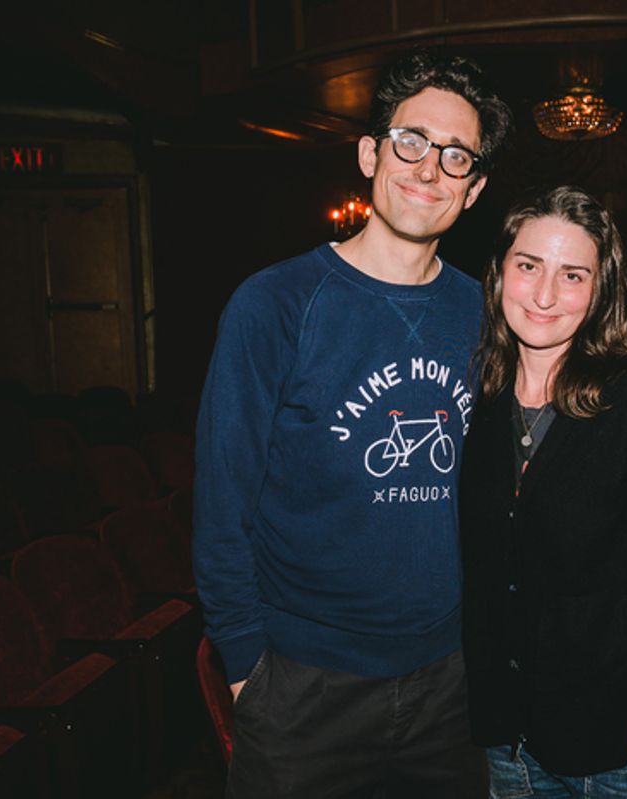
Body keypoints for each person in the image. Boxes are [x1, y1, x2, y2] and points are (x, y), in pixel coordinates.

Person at [193, 49, 512, 798]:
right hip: (305, 690)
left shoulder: (487, 314)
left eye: (456, 155)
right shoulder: (273, 305)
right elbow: (220, 506)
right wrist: (247, 675)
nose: (429, 168)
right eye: (411, 141)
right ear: (370, 153)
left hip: (450, 686)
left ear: (474, 190)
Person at [459, 186, 627, 797]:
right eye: (528, 266)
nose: (546, 295)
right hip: (516, 747)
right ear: (500, 273)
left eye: (572, 275)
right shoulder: (484, 403)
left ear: (600, 290)